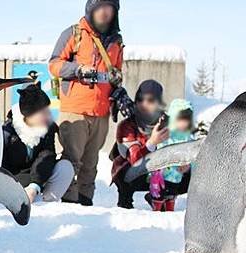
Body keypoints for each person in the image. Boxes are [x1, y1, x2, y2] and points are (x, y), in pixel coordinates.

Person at [49, 0, 124, 206]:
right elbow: (54, 64)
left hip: (101, 112)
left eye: (109, 8)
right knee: (71, 160)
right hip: (75, 110)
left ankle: (85, 203)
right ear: (91, 9)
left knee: (91, 163)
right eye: (100, 7)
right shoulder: (75, 34)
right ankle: (68, 202)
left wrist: (119, 92)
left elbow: (116, 74)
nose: (104, 13)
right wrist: (77, 70)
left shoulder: (117, 41)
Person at [111, 80, 191, 209]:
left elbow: (183, 144)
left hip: (162, 171)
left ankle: (166, 196)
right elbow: (134, 160)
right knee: (125, 171)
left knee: (189, 174)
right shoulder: (127, 125)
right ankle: (125, 202)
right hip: (135, 172)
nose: (144, 104)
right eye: (140, 100)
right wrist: (152, 142)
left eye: (150, 100)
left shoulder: (169, 122)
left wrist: (185, 164)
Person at [2, 83, 74, 203]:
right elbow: (2, 168)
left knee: (65, 167)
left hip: (37, 180)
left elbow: (47, 156)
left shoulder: (48, 128)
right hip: (12, 183)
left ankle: (44, 203)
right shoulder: (7, 131)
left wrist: (35, 185)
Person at [148, 99, 195, 212]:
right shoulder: (165, 134)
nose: (183, 124)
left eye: (187, 120)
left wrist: (188, 165)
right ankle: (156, 208)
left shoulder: (187, 137)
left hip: (176, 177)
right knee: (159, 196)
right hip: (161, 177)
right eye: (180, 120)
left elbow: (192, 155)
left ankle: (170, 211)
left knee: (172, 195)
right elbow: (157, 153)